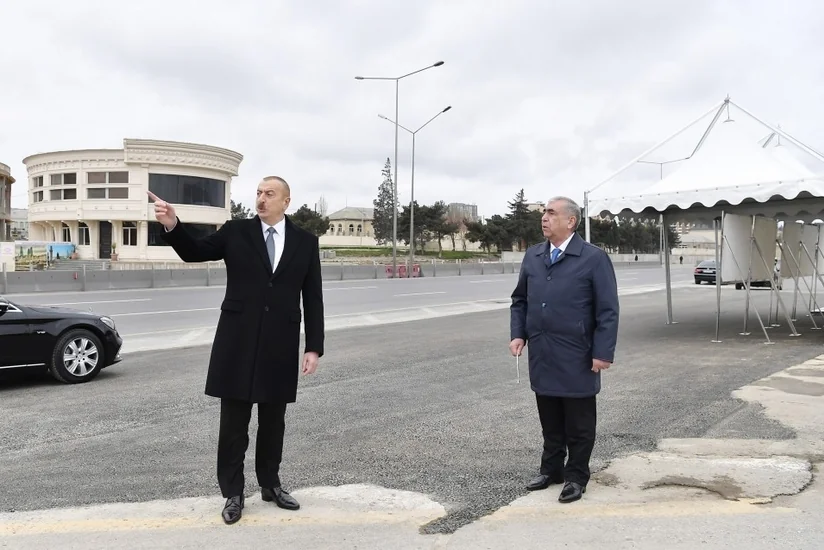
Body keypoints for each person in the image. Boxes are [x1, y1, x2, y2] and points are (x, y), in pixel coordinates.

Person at [148, 175, 324, 524]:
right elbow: (195, 252)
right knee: (234, 422)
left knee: (274, 421)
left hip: (280, 343)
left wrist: (314, 347)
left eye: (269, 194)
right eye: (258, 193)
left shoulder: (305, 242)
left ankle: (271, 485)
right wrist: (173, 225)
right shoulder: (236, 232)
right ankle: (233, 492)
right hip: (238, 340)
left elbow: (313, 296)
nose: (261, 199)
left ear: (285, 201)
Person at [509, 196, 619, 503]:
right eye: (544, 212)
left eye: (551, 213)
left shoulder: (593, 258)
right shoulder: (533, 256)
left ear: (570, 221)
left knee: (579, 421)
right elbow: (520, 301)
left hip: (578, 353)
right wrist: (519, 334)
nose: (544, 217)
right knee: (550, 417)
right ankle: (552, 469)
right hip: (543, 351)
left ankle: (576, 476)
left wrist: (602, 352)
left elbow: (608, 310)